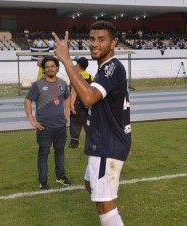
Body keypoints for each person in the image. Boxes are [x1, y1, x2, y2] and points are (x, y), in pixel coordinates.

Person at [52, 21, 131, 226]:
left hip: (107, 144)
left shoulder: (112, 68)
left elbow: (88, 98)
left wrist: (67, 61)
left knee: (104, 205)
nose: (94, 44)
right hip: (103, 141)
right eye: (92, 38)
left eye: (101, 39)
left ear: (113, 43)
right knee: (90, 185)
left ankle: (112, 214)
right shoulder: (104, 68)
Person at [24, 56, 72, 190]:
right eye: (47, 67)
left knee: (60, 152)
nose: (50, 69)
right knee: (43, 154)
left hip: (60, 126)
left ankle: (61, 176)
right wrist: (32, 121)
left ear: (57, 68)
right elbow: (27, 101)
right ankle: (43, 181)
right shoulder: (38, 85)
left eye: (53, 66)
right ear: (44, 69)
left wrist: (66, 114)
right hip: (44, 127)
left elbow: (67, 98)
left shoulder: (62, 83)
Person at [68, 57, 93, 149]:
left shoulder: (75, 77)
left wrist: (71, 104)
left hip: (77, 104)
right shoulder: (91, 77)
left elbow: (74, 90)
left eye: (76, 63)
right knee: (88, 123)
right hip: (88, 104)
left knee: (75, 123)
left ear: (78, 65)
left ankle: (74, 143)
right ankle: (91, 142)